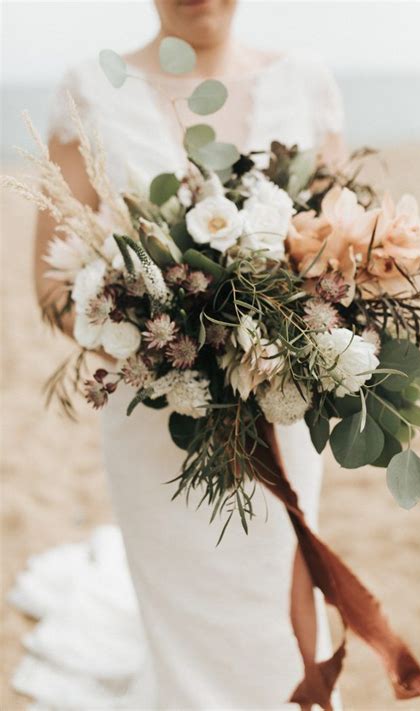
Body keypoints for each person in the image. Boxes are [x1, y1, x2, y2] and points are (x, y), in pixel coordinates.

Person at [16, 1, 345, 708]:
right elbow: (49, 283)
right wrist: (149, 326)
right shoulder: (89, 88)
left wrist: (299, 324)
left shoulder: (307, 83)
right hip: (157, 418)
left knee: (272, 597)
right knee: (186, 610)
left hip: (280, 410)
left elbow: (342, 252)